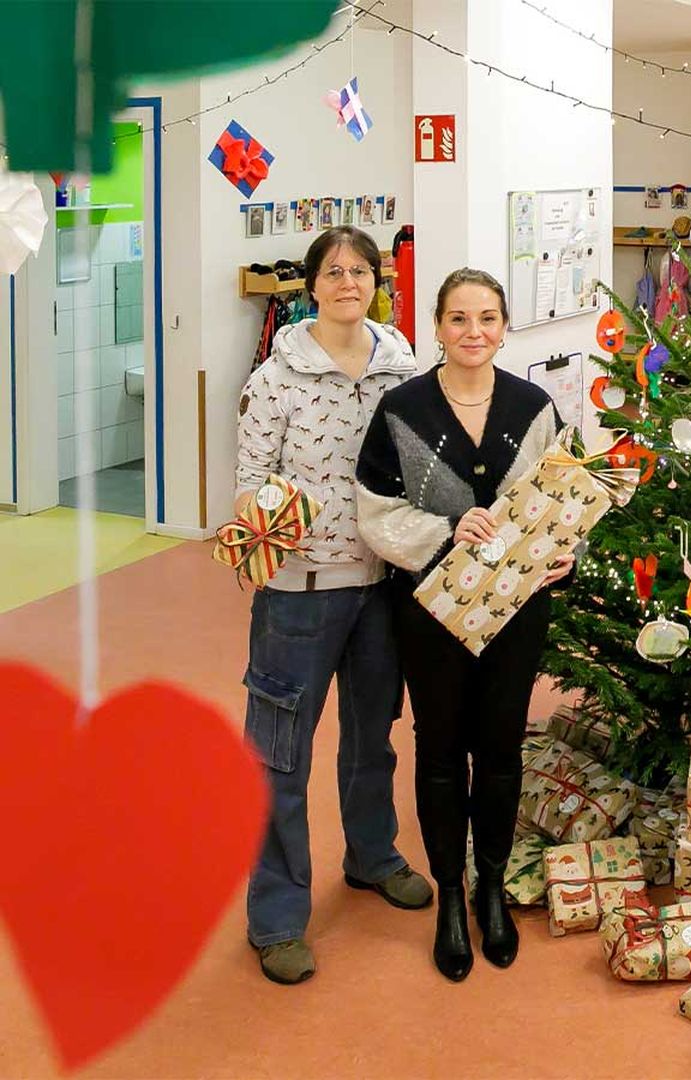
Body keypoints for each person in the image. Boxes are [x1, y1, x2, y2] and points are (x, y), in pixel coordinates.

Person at [356, 268, 571, 981]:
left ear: (504, 326)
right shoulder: (402, 409)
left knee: (502, 746)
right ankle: (450, 890)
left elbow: (562, 499)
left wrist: (567, 550)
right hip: (431, 607)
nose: (473, 332)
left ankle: (491, 887)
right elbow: (376, 513)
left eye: (486, 318)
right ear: (437, 327)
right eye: (458, 319)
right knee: (441, 747)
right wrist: (450, 528)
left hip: (518, 608)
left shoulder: (534, 406)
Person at [235, 225, 431, 986]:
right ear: (312, 284)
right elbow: (252, 475)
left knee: (372, 738)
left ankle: (372, 855)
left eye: (363, 269)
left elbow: (422, 461)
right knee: (278, 757)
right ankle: (278, 916)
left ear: (377, 281)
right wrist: (263, 537)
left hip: (382, 588)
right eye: (335, 270)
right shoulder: (279, 375)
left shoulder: (401, 361)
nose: (350, 281)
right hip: (299, 597)